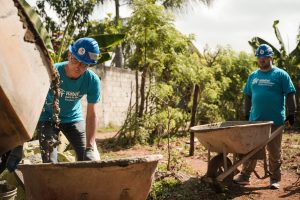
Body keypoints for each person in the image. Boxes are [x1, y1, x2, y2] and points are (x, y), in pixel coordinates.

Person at [233, 44, 297, 189]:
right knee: (251, 149)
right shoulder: (253, 76)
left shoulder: (281, 75)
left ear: (270, 57)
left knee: (274, 151)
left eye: (264, 57)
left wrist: (292, 113)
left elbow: (290, 93)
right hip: (255, 121)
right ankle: (245, 176)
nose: (261, 60)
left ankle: (275, 179)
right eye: (259, 57)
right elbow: (247, 95)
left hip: (275, 121)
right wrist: (245, 113)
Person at [37, 37, 101, 163]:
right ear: (69, 55)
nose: (78, 67)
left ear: (89, 65)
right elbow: (32, 99)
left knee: (88, 159)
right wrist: (19, 144)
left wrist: (90, 147)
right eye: (75, 60)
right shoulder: (52, 72)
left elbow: (92, 115)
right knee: (50, 162)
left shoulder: (92, 81)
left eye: (84, 64)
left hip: (73, 117)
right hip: (48, 117)